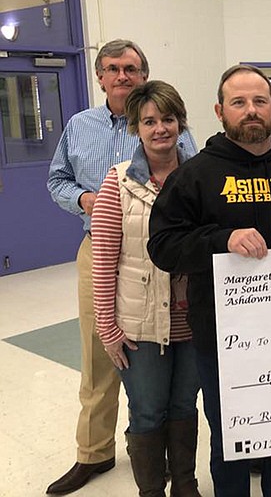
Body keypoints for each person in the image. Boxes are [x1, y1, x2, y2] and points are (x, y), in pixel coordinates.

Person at [147, 64, 271, 497]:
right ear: (220, 110)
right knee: (231, 437)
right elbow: (164, 247)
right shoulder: (194, 175)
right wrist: (222, 238)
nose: (251, 111)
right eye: (239, 102)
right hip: (221, 337)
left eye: (259, 101)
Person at [46, 39, 197, 495]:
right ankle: (94, 454)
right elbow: (57, 179)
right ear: (100, 77)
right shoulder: (80, 126)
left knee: (176, 393)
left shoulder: (180, 141)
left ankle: (179, 475)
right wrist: (85, 200)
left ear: (144, 74)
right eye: (113, 69)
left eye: (131, 68)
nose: (122, 76)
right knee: (103, 359)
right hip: (104, 246)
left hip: (173, 268)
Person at [91, 81, 201, 497]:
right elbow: (103, 260)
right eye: (149, 121)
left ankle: (185, 486)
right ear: (136, 128)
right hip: (138, 326)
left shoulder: (199, 176)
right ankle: (151, 491)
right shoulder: (118, 183)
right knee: (149, 411)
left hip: (191, 321)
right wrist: (107, 325)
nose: (160, 129)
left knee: (182, 407)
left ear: (180, 123)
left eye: (168, 119)